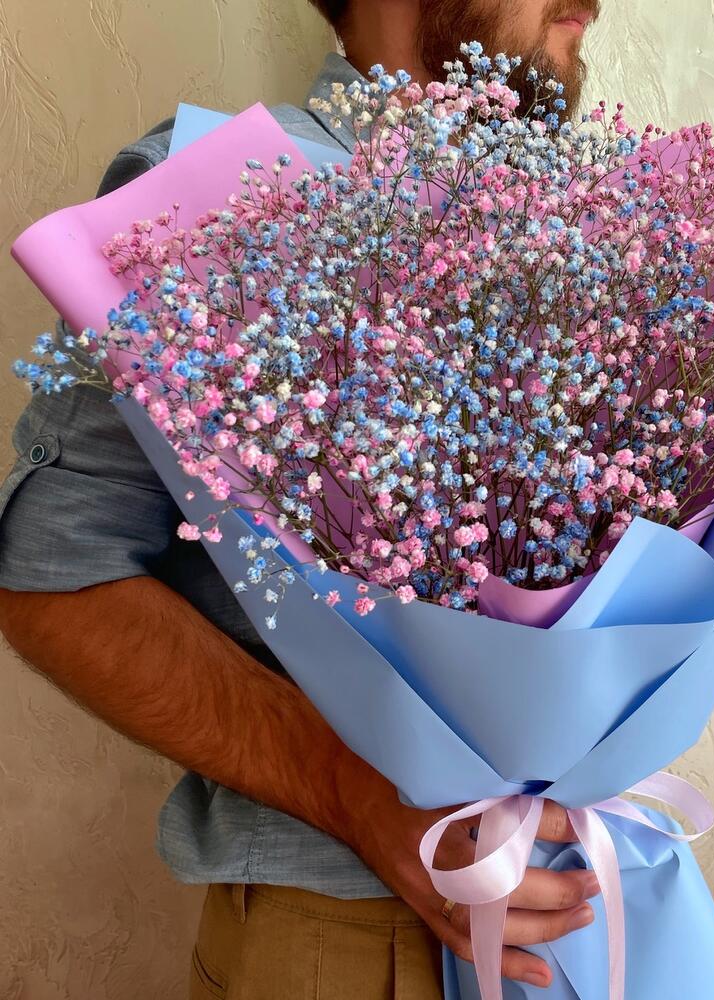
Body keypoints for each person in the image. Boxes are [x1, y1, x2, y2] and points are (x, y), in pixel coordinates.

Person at [0, 0, 601, 996]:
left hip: (587, 908)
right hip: (351, 937)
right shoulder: (207, 200)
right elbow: (52, 577)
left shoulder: (600, 227)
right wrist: (348, 787)